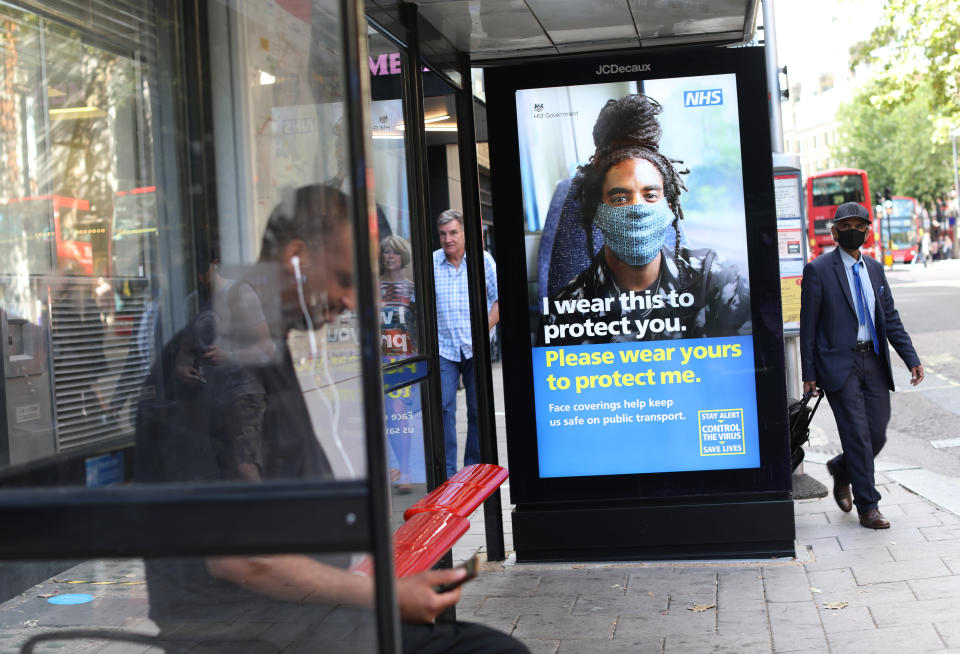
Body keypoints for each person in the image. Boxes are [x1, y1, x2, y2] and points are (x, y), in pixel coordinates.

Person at [137, 185, 526, 653]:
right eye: (343, 279)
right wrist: (382, 595)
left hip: (305, 614)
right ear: (297, 259)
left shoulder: (271, 356)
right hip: (261, 631)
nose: (347, 300)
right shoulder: (228, 367)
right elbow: (242, 558)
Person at [539, 94, 750, 345]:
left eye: (650, 195)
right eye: (619, 198)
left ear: (669, 207)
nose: (637, 208)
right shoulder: (567, 311)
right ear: (598, 212)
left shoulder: (714, 280)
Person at [800, 202, 924, 530]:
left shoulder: (875, 268)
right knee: (857, 434)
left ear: (867, 231)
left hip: (874, 360)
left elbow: (890, 318)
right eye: (847, 225)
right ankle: (868, 506)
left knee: (877, 433)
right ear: (835, 232)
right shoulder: (819, 270)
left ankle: (843, 469)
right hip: (840, 364)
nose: (854, 230)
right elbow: (808, 326)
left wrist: (911, 358)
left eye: (860, 225)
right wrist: (809, 373)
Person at [433, 209, 499, 479]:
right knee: (444, 407)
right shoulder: (432, 262)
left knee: (477, 409)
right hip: (444, 347)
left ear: (464, 234)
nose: (448, 239)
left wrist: (483, 330)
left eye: (453, 233)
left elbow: (498, 300)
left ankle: (472, 469)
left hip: (476, 348)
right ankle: (448, 472)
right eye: (443, 234)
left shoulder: (484, 262)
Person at [380, 234, 417, 493]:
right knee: (383, 417)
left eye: (394, 252)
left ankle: (404, 470)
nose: (390, 256)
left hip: (402, 357)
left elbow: (419, 325)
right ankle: (391, 467)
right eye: (386, 252)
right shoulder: (375, 287)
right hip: (378, 357)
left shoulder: (412, 288)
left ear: (402, 255)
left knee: (397, 411)